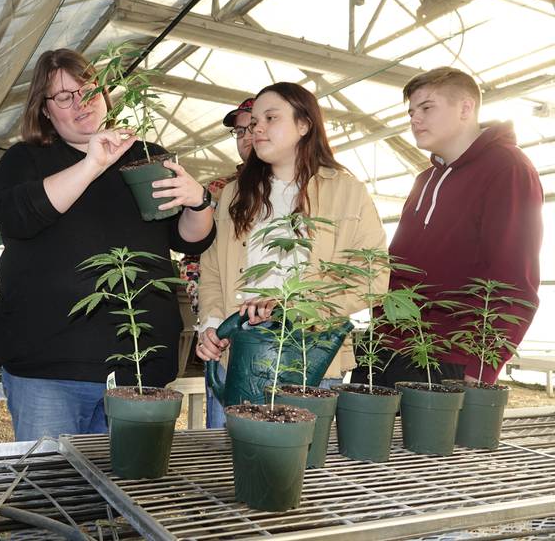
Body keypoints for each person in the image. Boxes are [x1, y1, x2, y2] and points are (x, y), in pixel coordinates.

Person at [0, 48, 215, 441]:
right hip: (50, 366)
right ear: (44, 110)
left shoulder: (145, 158)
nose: (81, 102)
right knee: (54, 487)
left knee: (127, 491)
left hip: (141, 367)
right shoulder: (24, 159)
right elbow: (15, 217)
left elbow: (188, 237)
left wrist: (198, 200)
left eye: (88, 89)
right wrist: (93, 163)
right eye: (64, 96)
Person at [196, 82, 387, 426]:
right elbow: (210, 270)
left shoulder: (346, 191)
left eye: (271, 117)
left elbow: (372, 277)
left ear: (304, 125)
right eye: (254, 122)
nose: (258, 129)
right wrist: (211, 326)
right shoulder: (234, 195)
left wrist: (296, 308)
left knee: (299, 472)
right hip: (236, 360)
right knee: (225, 472)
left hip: (311, 359)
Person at [351, 67, 543, 386]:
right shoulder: (424, 180)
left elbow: (514, 276)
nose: (415, 119)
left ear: (466, 108)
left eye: (427, 108)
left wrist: (482, 367)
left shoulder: (508, 168)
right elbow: (398, 264)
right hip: (386, 348)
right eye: (411, 111)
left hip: (446, 357)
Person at [178, 98, 254, 428]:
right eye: (240, 131)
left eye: (254, 126)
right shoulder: (220, 190)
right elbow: (195, 260)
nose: (247, 137)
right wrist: (210, 318)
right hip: (225, 336)